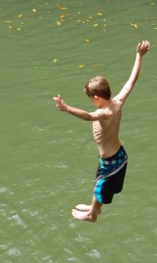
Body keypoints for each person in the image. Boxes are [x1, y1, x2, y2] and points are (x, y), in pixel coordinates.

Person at [53, 40, 151, 222]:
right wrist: (139, 56)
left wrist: (67, 108)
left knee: (100, 186)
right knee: (100, 184)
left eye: (90, 98)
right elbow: (131, 81)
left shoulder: (103, 112)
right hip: (120, 154)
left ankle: (92, 215)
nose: (90, 101)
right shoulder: (118, 101)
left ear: (96, 97)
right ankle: (93, 208)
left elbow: (88, 116)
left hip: (110, 160)